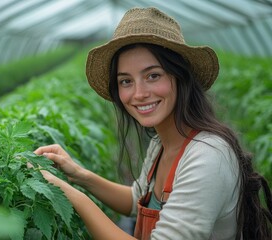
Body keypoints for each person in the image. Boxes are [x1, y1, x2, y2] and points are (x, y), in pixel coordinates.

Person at [33, 7, 272, 240]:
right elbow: (137, 200)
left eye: (153, 75)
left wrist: (67, 195)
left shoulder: (208, 156)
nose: (138, 93)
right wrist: (79, 175)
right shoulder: (162, 143)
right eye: (126, 81)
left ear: (180, 76)